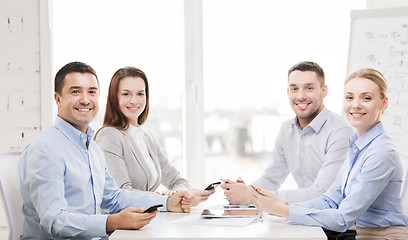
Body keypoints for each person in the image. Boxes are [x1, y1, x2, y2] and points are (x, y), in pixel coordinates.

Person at [18, 62, 192, 239]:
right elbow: (55, 221)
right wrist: (112, 222)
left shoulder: (91, 148)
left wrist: (167, 202)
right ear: (58, 99)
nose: (85, 99)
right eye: (75, 91)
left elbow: (113, 197)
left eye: (92, 92)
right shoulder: (45, 149)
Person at [250, 68, 408, 239]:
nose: (355, 104)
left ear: (384, 103)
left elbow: (342, 218)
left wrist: (283, 210)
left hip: (384, 236)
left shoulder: (381, 152)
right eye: (349, 97)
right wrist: (286, 205)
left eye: (366, 98)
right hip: (362, 234)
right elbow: (330, 200)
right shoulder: (357, 146)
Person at [221, 61, 354, 204]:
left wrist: (253, 197)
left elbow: (323, 193)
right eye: (294, 89)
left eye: (309, 88)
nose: (301, 96)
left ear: (324, 91)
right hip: (305, 216)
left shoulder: (341, 132)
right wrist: (245, 191)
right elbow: (270, 179)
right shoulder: (286, 130)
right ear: (288, 92)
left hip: (335, 222)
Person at [94, 66, 214, 206]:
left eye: (140, 94)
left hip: (147, 222)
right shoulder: (109, 136)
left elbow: (177, 180)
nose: (134, 101)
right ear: (114, 98)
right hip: (123, 225)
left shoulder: (147, 138)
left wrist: (179, 194)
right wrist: (166, 200)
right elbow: (122, 194)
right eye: (126, 94)